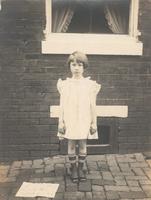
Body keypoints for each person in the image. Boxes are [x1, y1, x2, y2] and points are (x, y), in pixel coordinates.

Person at [57, 51, 101, 182]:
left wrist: (94, 123)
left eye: (80, 65)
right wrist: (61, 122)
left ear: (84, 67)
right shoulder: (65, 85)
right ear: (69, 66)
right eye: (73, 64)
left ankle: (81, 167)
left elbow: (93, 105)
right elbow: (62, 105)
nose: (76, 68)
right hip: (70, 118)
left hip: (84, 118)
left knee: (82, 143)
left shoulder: (89, 85)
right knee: (71, 143)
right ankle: (73, 168)